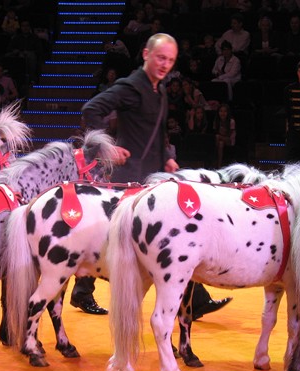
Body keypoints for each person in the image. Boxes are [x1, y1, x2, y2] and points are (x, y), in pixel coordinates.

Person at [76, 33, 231, 318]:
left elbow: (158, 132)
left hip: (152, 176)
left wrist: (168, 157)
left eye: (171, 60)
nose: (165, 65)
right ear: (146, 54)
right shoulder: (131, 87)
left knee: (175, 237)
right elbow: (92, 109)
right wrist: (106, 147)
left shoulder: (158, 91)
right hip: (128, 178)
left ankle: (196, 299)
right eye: (161, 58)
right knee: (111, 237)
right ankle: (82, 290)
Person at [214, 103, 235, 168]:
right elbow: (215, 132)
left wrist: (220, 136)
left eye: (225, 111)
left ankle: (217, 162)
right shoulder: (216, 121)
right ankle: (219, 164)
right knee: (220, 143)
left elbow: (230, 137)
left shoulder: (231, 121)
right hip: (220, 141)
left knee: (217, 137)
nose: (223, 113)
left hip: (229, 140)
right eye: (221, 111)